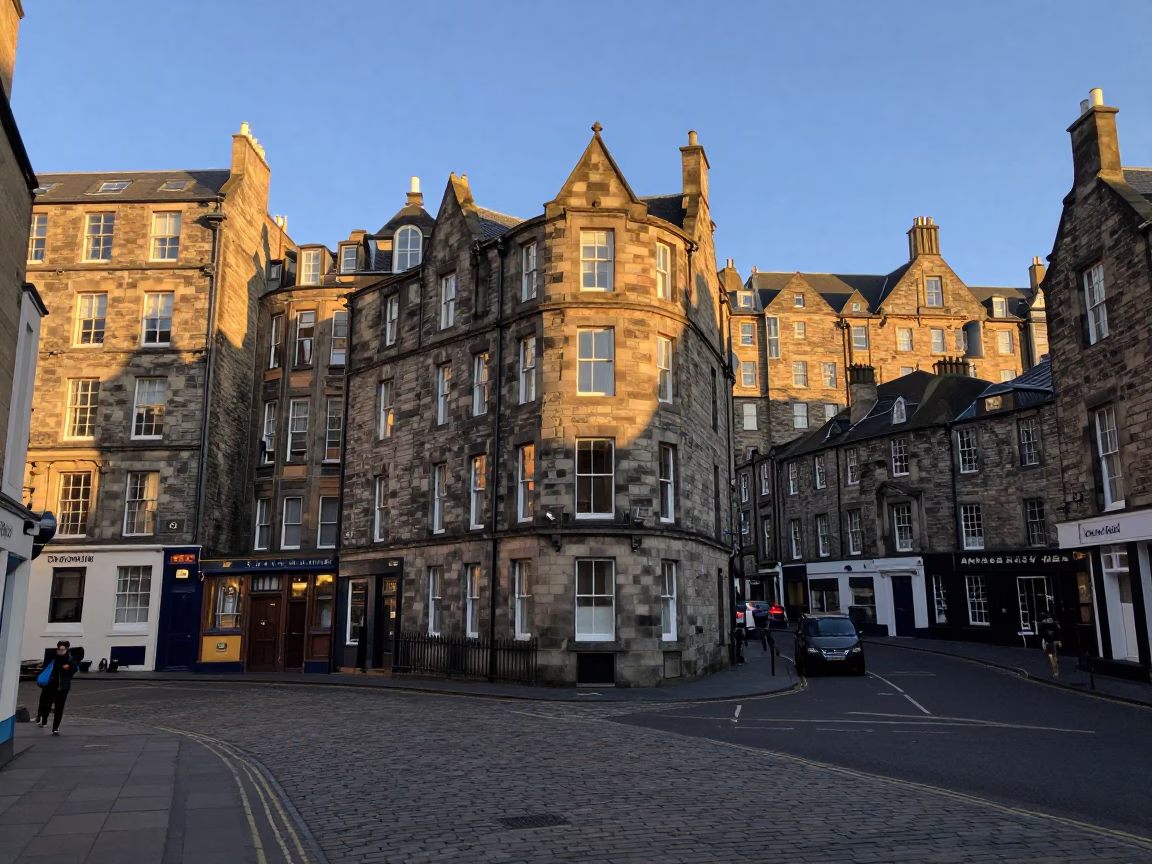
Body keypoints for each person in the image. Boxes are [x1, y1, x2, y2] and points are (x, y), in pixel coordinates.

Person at [37, 640, 77, 734]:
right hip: (51, 685)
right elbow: (46, 668)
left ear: (67, 649)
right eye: (59, 649)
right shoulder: (53, 657)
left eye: (63, 650)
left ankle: (55, 728)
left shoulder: (71, 659)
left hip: (63, 687)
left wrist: (67, 668)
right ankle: (44, 720)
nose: (60, 651)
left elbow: (73, 670)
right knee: (47, 704)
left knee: (59, 707)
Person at [1038, 614, 1061, 678]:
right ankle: (1056, 668)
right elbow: (1058, 632)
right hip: (1055, 642)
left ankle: (1055, 672)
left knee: (1051, 657)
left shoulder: (1043, 625)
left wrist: (1044, 645)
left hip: (1049, 643)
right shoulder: (1055, 624)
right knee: (1055, 656)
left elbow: (1042, 636)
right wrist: (1059, 641)